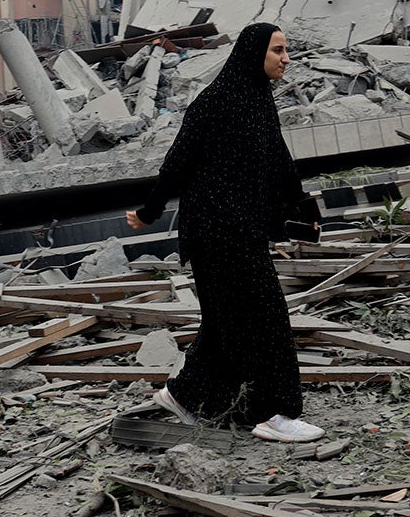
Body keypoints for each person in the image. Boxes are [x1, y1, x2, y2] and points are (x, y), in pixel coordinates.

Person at [125, 22, 325, 443]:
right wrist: (149, 212)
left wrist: (304, 211)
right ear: (254, 53)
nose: (286, 58)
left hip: (241, 227)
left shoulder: (258, 99)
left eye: (286, 50)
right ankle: (277, 413)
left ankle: (182, 396)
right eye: (278, 50)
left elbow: (278, 162)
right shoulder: (215, 102)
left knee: (224, 323)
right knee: (266, 318)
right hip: (216, 231)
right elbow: (177, 162)